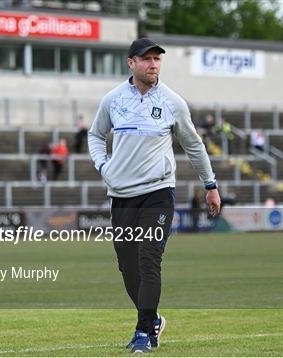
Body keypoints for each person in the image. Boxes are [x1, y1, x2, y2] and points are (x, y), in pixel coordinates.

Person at [88, 37, 221, 354]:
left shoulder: (173, 102)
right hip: (121, 194)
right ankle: (153, 318)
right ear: (131, 63)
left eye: (157, 59)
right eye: (146, 59)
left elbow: (193, 145)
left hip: (158, 192)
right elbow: (95, 135)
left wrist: (211, 184)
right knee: (128, 267)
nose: (153, 64)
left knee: (149, 260)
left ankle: (143, 332)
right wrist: (103, 165)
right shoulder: (113, 100)